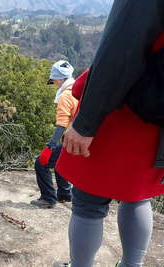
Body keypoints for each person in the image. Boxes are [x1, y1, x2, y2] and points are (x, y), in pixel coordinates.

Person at [54, 1, 164, 266]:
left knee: (89, 201)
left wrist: (86, 123)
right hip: (158, 116)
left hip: (125, 109)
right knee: (137, 194)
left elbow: (121, 49)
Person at [30, 60, 78, 209]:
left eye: (54, 80)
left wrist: (50, 146)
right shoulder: (79, 89)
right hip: (83, 138)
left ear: (59, 79)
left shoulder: (65, 95)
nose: (54, 84)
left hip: (71, 140)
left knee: (41, 163)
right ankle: (64, 193)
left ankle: (48, 198)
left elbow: (61, 124)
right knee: (59, 162)